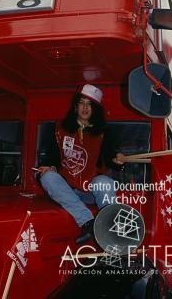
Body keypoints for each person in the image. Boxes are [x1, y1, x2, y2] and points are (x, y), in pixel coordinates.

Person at [37, 84, 125, 245]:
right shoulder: (59, 128)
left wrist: (118, 160)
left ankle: (110, 227)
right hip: (67, 189)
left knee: (104, 183)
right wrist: (49, 166)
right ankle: (88, 224)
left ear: (95, 109)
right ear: (75, 106)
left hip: (90, 190)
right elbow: (50, 157)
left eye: (89, 104)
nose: (85, 108)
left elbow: (112, 158)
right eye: (81, 103)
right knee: (47, 177)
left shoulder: (105, 132)